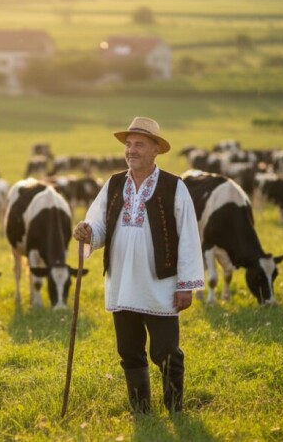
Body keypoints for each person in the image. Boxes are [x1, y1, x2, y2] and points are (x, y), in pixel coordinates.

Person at [73, 116, 204, 415]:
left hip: (160, 285)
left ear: (156, 149)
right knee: (128, 351)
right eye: (129, 145)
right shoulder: (114, 183)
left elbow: (188, 237)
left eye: (139, 145)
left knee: (166, 351)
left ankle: (175, 408)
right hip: (121, 283)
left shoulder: (174, 187)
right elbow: (99, 222)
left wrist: (187, 285)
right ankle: (141, 411)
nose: (131, 150)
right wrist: (88, 232)